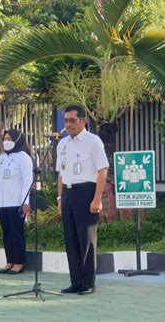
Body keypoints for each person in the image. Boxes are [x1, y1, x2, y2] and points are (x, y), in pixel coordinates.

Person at [56, 104, 108, 295]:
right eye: (66, 120)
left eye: (72, 120)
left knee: (86, 240)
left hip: (86, 192)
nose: (68, 124)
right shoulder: (62, 144)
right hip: (68, 194)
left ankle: (88, 283)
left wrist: (97, 199)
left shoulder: (93, 141)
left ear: (83, 121)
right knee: (70, 240)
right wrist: (60, 199)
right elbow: (61, 174)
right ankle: (75, 281)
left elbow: (102, 171)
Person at [0, 129, 33, 275]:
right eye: (4, 138)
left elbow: (28, 180)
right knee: (6, 233)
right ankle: (10, 261)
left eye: (9, 138)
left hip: (16, 202)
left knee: (17, 233)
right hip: (2, 202)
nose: (6, 141)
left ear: (17, 140)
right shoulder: (1, 157)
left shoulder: (23, 157)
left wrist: (25, 201)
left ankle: (19, 262)